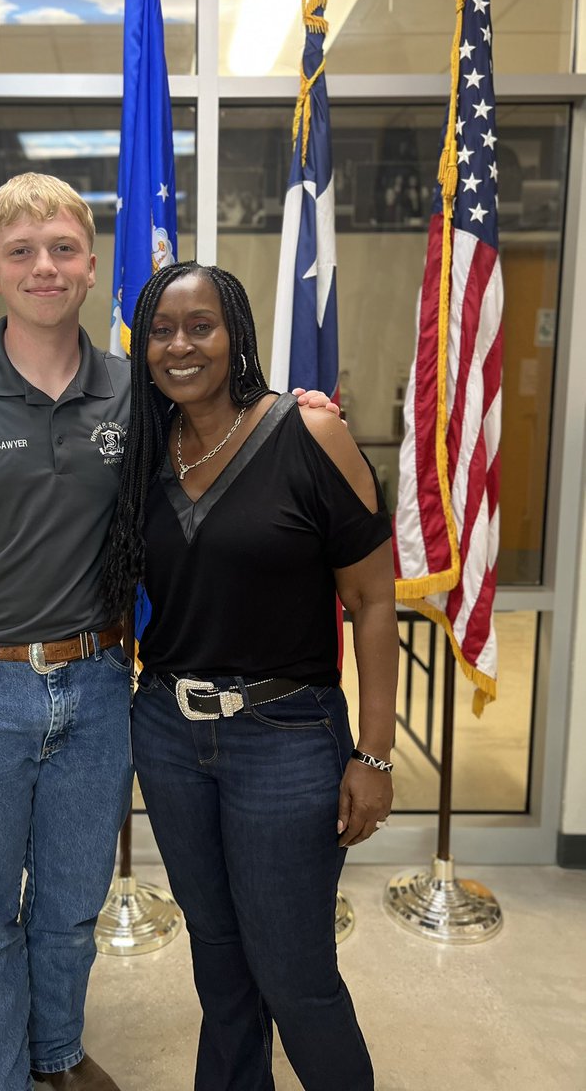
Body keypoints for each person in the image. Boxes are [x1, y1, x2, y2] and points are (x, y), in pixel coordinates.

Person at [0, 172, 339, 1090]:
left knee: (73, 906)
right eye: (21, 252)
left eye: (63, 249)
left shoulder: (137, 393)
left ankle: (55, 1056)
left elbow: (224, 431)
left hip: (95, 688)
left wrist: (299, 414)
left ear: (91, 270)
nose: (44, 267)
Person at [101, 261, 399, 1091]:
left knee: (295, 975)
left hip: (287, 737)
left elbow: (374, 601)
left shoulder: (310, 434)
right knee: (221, 965)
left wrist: (373, 756)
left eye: (201, 325)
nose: (179, 345)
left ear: (236, 333)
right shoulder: (142, 454)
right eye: (160, 330)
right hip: (167, 730)